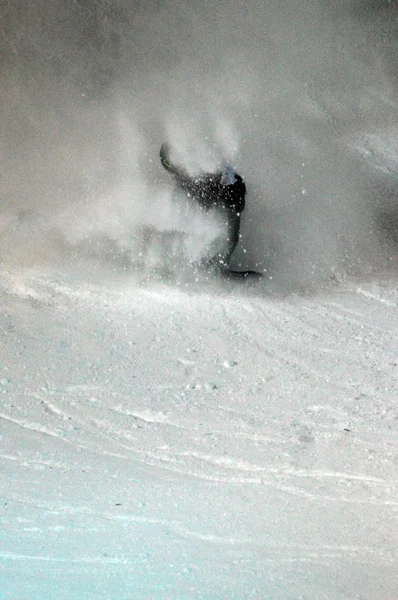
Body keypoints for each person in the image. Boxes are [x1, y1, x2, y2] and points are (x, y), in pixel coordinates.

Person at [159, 142, 246, 269]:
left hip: (228, 193)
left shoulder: (204, 165)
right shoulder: (184, 178)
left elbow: (226, 182)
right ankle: (206, 262)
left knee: (229, 239)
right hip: (219, 195)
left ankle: (219, 263)